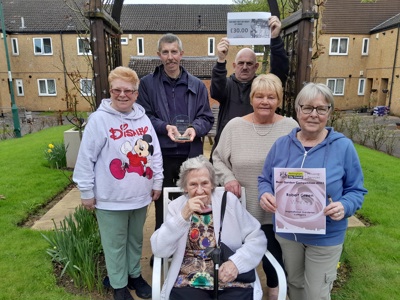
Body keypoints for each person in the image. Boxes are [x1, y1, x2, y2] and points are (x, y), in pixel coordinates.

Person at [258, 82, 368, 300]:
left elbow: (356, 190)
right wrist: (265, 194)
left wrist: (345, 206)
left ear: (329, 112)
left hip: (326, 235)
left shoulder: (343, 147)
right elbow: (265, 179)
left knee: (316, 294)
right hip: (289, 234)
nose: (313, 114)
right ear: (298, 110)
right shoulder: (281, 145)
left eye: (321, 108)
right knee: (295, 286)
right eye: (307, 108)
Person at [73, 66, 163, 300]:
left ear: (136, 93)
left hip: (140, 196)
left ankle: (134, 276)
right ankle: (119, 285)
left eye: (128, 91)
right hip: (110, 199)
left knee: (135, 241)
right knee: (114, 246)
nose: (122, 95)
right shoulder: (99, 120)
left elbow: (154, 153)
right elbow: (86, 157)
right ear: (110, 91)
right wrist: (86, 190)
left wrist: (157, 182)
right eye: (117, 90)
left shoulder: (143, 118)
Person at [212, 74, 298, 300]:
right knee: (239, 264)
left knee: (275, 265)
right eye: (259, 96)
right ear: (251, 99)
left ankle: (273, 294)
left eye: (271, 97)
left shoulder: (291, 127)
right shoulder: (235, 126)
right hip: (242, 209)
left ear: (279, 100)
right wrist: (228, 177)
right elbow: (218, 158)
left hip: (276, 210)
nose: (265, 102)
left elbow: (301, 163)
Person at [150, 155, 267, 300]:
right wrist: (182, 217)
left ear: (212, 184)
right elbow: (160, 249)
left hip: (230, 277)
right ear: (185, 187)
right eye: (193, 184)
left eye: (204, 183)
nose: (199, 191)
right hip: (189, 281)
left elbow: (257, 237)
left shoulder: (229, 201)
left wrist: (236, 263)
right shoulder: (177, 207)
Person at [136, 33, 214, 246]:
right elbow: (145, 117)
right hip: (162, 156)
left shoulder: (197, 85)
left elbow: (206, 117)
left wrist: (194, 129)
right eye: (165, 52)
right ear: (159, 55)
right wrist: (165, 127)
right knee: (162, 204)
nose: (170, 57)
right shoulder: (147, 84)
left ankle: (194, 246)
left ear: (181, 54)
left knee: (194, 200)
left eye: (174, 52)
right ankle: (163, 248)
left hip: (190, 157)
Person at [210, 16, 289, 154]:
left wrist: (275, 39)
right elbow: (216, 91)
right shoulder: (227, 85)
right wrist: (221, 60)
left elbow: (279, 74)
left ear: (256, 66)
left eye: (249, 63)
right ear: (234, 66)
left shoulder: (261, 87)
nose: (245, 67)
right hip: (229, 146)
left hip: (256, 145)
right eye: (241, 63)